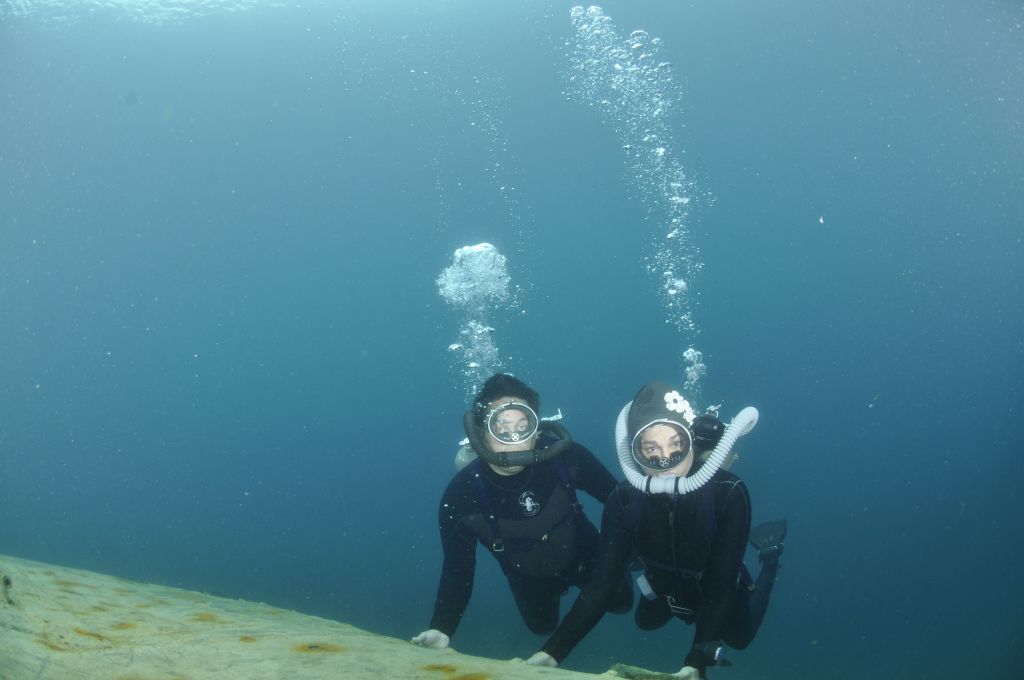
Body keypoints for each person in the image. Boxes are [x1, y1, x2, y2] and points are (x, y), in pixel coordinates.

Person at [526, 381, 786, 679]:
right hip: (664, 588)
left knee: (740, 638)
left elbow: (721, 584)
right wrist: (552, 652)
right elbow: (603, 583)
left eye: (676, 444)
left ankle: (770, 559)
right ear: (634, 452)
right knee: (645, 623)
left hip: (715, 586)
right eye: (651, 448)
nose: (665, 460)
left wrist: (696, 662)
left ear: (690, 441)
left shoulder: (727, 493)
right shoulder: (624, 499)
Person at [412, 373, 633, 651]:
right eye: (501, 427)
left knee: (623, 604)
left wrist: (630, 550)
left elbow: (618, 499)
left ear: (536, 429)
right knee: (541, 626)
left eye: (523, 425)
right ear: (480, 433)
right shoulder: (460, 497)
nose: (514, 438)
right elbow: (458, 569)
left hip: (586, 553)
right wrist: (442, 628)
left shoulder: (565, 456)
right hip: (529, 579)